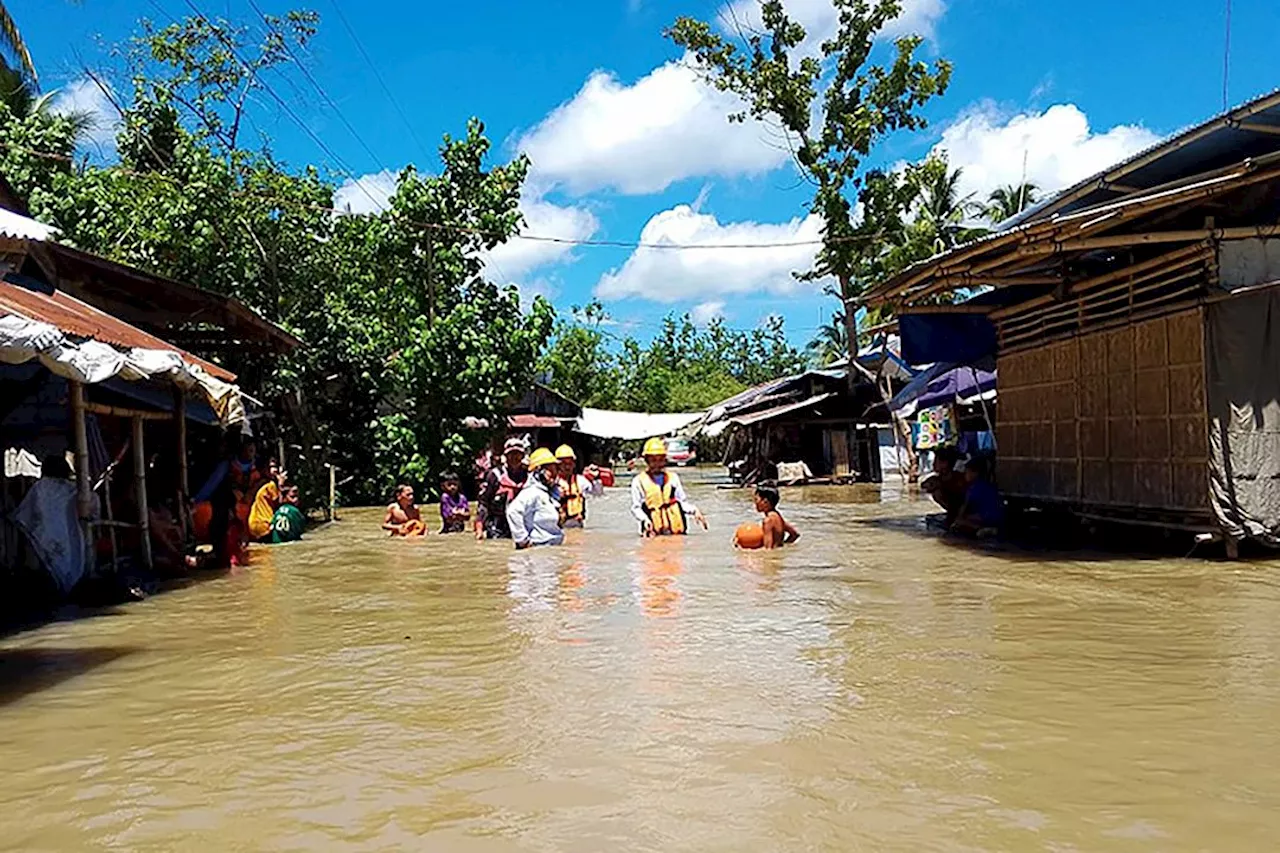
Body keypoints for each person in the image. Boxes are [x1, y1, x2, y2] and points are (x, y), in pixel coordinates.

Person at [630, 437, 707, 537]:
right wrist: (645, 519)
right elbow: (636, 508)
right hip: (652, 532)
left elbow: (681, 502)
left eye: (660, 460)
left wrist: (694, 510)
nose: (657, 464)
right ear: (647, 460)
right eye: (653, 460)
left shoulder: (673, 478)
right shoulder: (638, 481)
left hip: (674, 533)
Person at [506, 448, 564, 549]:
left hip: (552, 549)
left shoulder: (548, 493)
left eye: (556, 469)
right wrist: (522, 540)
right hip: (539, 550)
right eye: (551, 470)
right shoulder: (532, 492)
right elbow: (512, 512)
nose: (555, 474)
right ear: (539, 471)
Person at [475, 437, 529, 540]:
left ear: (522, 456)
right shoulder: (495, 475)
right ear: (506, 455)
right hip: (498, 526)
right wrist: (479, 529)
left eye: (518, 454)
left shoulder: (528, 476)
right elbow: (483, 503)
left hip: (521, 525)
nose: (514, 457)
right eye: (511, 454)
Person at [950, 455, 1005, 537]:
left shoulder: (974, 487)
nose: (965, 475)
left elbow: (965, 505)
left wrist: (957, 520)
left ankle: (980, 528)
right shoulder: (988, 485)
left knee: (960, 522)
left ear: (975, 473)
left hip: (986, 516)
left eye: (967, 472)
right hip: (998, 516)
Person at [553, 444, 602, 528]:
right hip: (558, 527)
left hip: (577, 525)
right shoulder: (551, 482)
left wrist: (595, 478)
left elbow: (598, 493)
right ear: (557, 465)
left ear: (574, 464)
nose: (567, 467)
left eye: (570, 463)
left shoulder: (580, 480)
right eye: (564, 463)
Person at [921, 446, 967, 526]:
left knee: (938, 493)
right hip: (956, 508)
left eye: (936, 462)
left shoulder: (958, 479)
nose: (933, 464)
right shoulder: (939, 478)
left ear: (945, 463)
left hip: (964, 509)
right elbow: (924, 485)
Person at [247, 459, 287, 542]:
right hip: (264, 524)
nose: (274, 469)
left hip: (253, 523)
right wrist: (281, 485)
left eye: (275, 466)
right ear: (265, 469)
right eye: (271, 467)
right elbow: (279, 505)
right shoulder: (270, 485)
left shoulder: (259, 482)